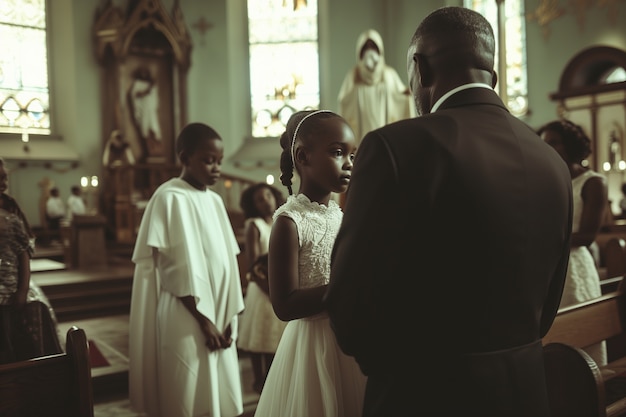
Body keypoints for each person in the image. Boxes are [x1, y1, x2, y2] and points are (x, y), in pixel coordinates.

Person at [324, 7, 573, 417]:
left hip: (424, 394)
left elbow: (350, 305)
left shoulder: (394, 148)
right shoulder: (550, 161)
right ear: (491, 74)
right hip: (525, 392)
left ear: (420, 69)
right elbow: (546, 310)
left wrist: (396, 371)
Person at [254, 110, 366, 417]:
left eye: (352, 155)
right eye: (337, 152)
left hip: (348, 337)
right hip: (314, 346)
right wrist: (347, 287)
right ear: (303, 157)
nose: (349, 164)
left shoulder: (339, 216)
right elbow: (284, 305)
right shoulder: (289, 222)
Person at [128, 123, 245, 417]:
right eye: (208, 160)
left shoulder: (216, 201)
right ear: (185, 157)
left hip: (219, 311)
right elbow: (172, 269)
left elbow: (228, 262)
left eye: (219, 161)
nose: (216, 168)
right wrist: (203, 321)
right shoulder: (169, 198)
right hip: (186, 313)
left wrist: (230, 315)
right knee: (186, 391)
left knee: (216, 394)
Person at [539, 118, 608, 365]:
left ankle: (590, 387)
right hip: (548, 262)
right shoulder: (545, 181)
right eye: (544, 143)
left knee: (580, 331)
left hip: (575, 263)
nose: (548, 148)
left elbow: (588, 236)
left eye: (554, 142)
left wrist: (543, 240)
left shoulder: (593, 182)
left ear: (570, 145)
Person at [0, 157, 62, 363]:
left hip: (9, 293)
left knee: (13, 352)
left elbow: (24, 255)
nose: (3, 182)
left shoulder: (10, 216)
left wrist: (22, 291)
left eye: (4, 177)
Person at [236, 182, 288, 394]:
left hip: (278, 285)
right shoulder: (254, 225)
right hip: (262, 286)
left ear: (275, 196)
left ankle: (274, 381)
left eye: (268, 195)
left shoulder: (281, 221)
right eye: (259, 199)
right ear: (253, 205)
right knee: (260, 335)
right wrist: (269, 288)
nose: (265, 200)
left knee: (274, 336)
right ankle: (259, 381)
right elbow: (254, 262)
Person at [337, 28, 415, 145]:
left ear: (379, 51)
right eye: (366, 47)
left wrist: (405, 94)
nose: (370, 51)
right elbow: (344, 101)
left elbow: (399, 95)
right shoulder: (354, 75)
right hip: (361, 134)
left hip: (384, 127)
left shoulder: (389, 74)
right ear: (360, 52)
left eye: (373, 47)